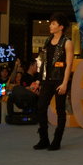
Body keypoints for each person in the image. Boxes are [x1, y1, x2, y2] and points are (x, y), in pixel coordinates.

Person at [33, 12, 74, 151]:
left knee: (60, 110)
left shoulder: (67, 42)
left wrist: (65, 83)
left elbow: (69, 64)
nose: (50, 25)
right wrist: (38, 80)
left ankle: (57, 140)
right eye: (50, 23)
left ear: (61, 27)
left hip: (60, 81)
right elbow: (42, 62)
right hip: (46, 80)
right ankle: (44, 139)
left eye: (53, 23)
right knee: (41, 107)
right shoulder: (47, 41)